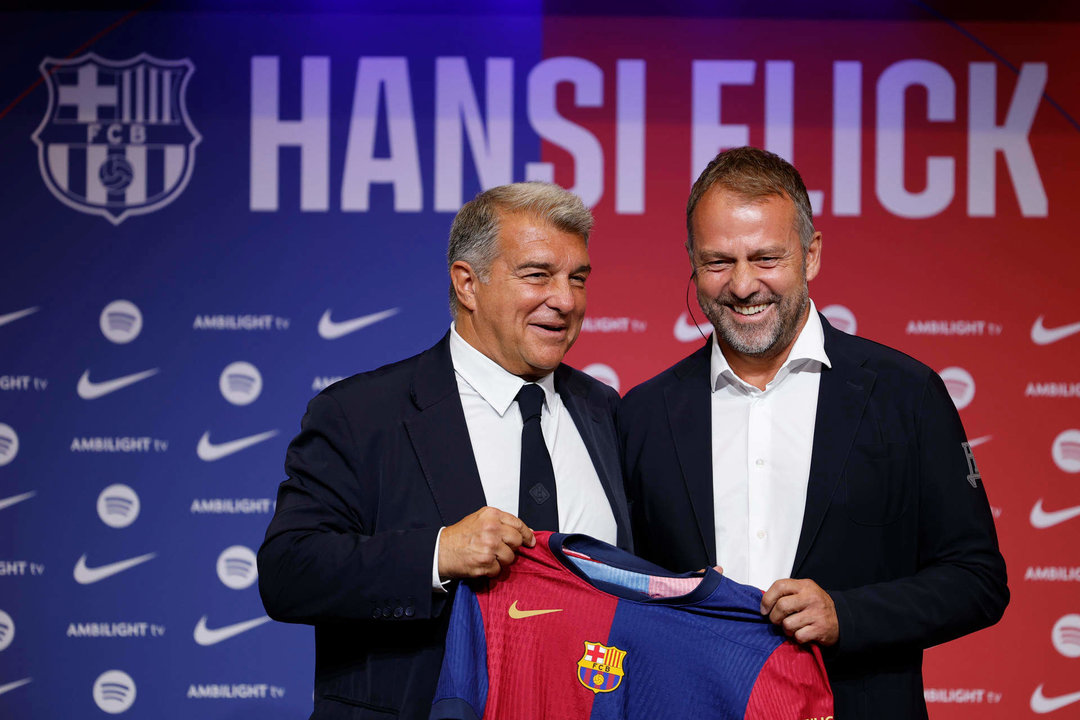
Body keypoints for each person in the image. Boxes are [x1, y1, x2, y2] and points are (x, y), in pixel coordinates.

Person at [618, 146, 1007, 719]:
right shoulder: (645, 413)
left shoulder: (906, 394)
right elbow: (619, 590)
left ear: (812, 254)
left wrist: (845, 615)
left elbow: (977, 581)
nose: (743, 284)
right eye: (718, 261)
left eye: (767, 258)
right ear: (692, 262)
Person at [258, 182, 632, 720]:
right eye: (538, 275)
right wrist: (439, 553)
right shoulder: (362, 414)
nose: (567, 300)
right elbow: (287, 572)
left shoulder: (606, 412)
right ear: (468, 284)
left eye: (578, 278)